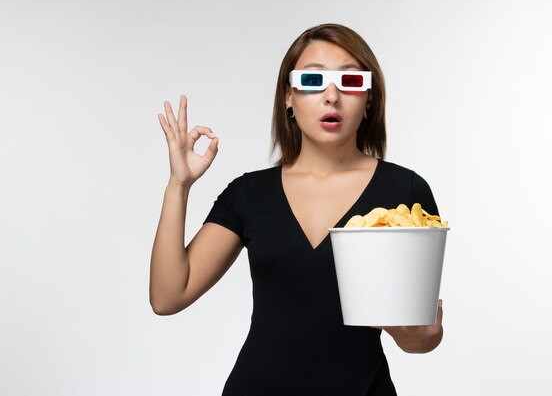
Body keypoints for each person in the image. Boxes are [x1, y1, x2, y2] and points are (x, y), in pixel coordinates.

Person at [151, 23, 444, 395]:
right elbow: (167, 296)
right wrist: (179, 185)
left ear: (369, 99)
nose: (332, 96)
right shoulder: (249, 194)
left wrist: (423, 334)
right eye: (312, 80)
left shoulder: (404, 193)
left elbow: (418, 340)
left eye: (351, 82)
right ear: (288, 97)